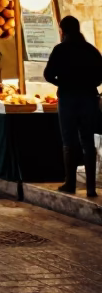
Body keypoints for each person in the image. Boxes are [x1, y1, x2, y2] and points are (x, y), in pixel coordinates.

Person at [44, 15, 102, 197]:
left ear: (62, 31)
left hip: (68, 99)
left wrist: (62, 82)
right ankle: (91, 188)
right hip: (88, 99)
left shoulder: (60, 50)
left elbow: (48, 75)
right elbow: (101, 76)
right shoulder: (90, 50)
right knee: (87, 141)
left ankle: (70, 183)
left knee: (69, 141)